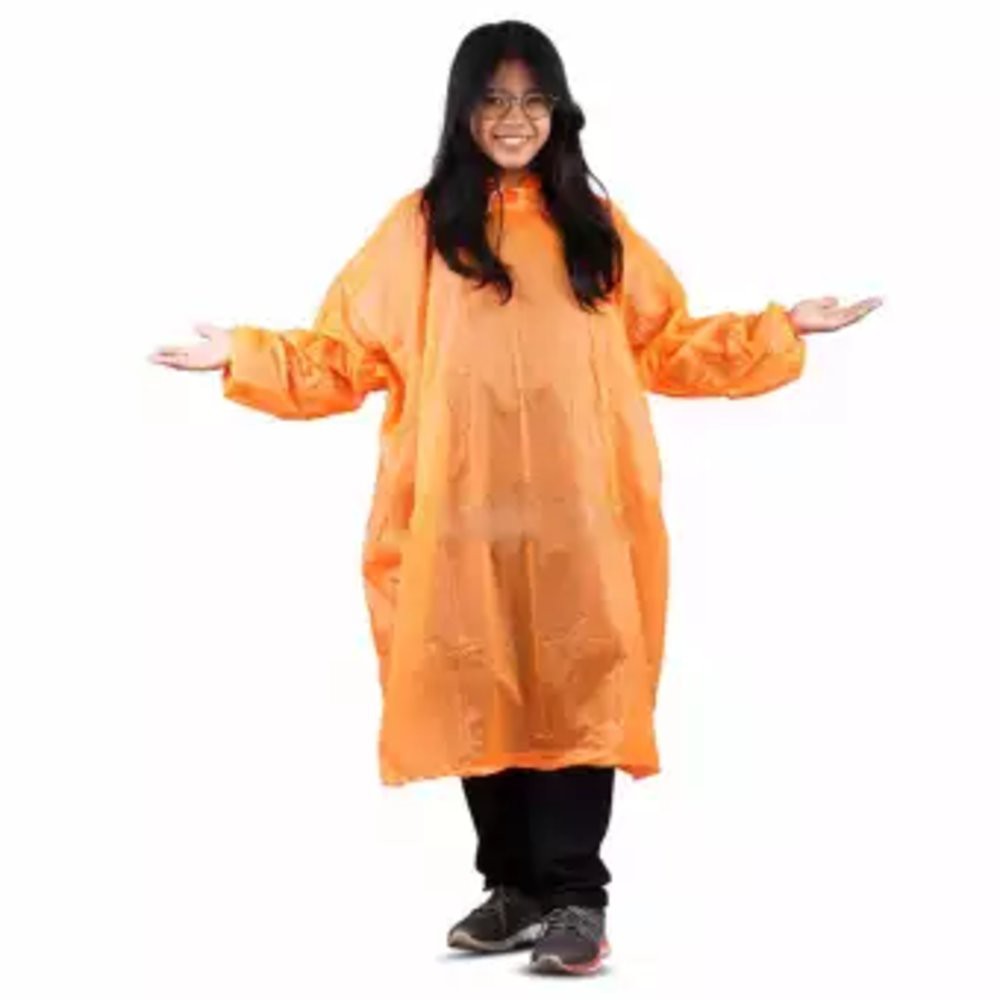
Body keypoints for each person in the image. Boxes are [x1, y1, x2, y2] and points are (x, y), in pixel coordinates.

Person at [148, 19, 882, 977]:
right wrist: (242, 354)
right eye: (494, 99)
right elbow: (345, 353)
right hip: (461, 512)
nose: (514, 118)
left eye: (534, 100)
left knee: (580, 687)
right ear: (463, 110)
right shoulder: (420, 229)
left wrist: (780, 327)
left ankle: (577, 896)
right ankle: (515, 889)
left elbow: (667, 343)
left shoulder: (593, 226)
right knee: (475, 682)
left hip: (582, 514)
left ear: (559, 112)